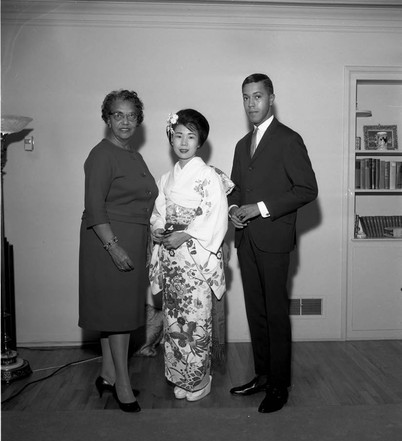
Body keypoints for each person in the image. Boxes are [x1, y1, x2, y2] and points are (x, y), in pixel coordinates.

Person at [228, 73, 318, 413]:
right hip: (246, 240)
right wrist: (236, 208)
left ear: (271, 98)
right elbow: (236, 188)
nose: (251, 103)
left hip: (274, 239)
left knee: (276, 314)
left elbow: (307, 189)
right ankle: (263, 376)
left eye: (258, 97)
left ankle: (280, 386)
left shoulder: (288, 139)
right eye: (247, 97)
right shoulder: (241, 145)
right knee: (256, 312)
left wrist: (261, 209)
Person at [79, 89, 158, 412]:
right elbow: (95, 208)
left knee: (115, 313)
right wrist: (113, 247)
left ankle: (108, 375)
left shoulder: (133, 155)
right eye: (117, 115)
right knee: (119, 317)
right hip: (108, 241)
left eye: (131, 116)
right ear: (107, 118)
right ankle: (123, 387)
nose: (125, 122)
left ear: (138, 120)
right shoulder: (101, 155)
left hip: (133, 239)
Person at [149, 109, 233, 402]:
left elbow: (215, 216)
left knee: (195, 322)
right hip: (173, 262)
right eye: (178, 135)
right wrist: (158, 230)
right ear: (171, 138)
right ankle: (179, 378)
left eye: (191, 136)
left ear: (200, 142)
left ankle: (200, 381)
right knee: (174, 323)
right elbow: (158, 214)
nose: (183, 142)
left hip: (195, 260)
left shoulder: (208, 176)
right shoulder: (166, 179)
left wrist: (186, 233)